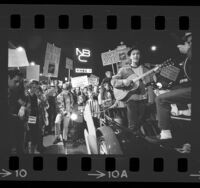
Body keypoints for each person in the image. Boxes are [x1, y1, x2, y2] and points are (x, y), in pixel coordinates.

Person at [153, 32, 192, 141]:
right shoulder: (184, 60)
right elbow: (175, 78)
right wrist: (159, 77)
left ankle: (165, 135)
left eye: (191, 42)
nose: (189, 44)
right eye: (189, 42)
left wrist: (188, 50)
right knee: (168, 93)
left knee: (161, 99)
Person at [111, 46, 155, 137]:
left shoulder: (146, 69)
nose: (136, 56)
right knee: (133, 125)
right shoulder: (124, 69)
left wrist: (151, 99)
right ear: (130, 57)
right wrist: (123, 82)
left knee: (143, 122)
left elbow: (149, 85)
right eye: (133, 54)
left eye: (138, 54)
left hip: (144, 99)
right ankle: (132, 143)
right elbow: (113, 82)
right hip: (131, 100)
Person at [8, 69, 26, 154]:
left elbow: (23, 101)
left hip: (18, 124)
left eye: (20, 82)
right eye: (16, 81)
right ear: (8, 78)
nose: (18, 84)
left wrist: (23, 107)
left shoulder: (17, 90)